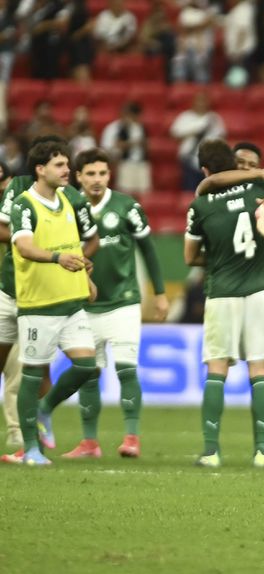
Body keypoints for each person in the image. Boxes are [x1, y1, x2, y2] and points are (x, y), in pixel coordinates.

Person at [61, 148, 168, 459]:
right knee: (88, 374)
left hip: (124, 302)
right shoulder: (67, 207)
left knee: (126, 370)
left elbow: (148, 249)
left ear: (110, 175)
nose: (97, 179)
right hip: (84, 305)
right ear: (78, 176)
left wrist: (160, 293)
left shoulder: (126, 207)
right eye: (90, 174)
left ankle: (131, 437)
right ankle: (89, 443)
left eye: (102, 173)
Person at [184, 139, 264, 468]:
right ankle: (263, 452)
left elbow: (189, 257)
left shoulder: (200, 206)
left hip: (222, 292)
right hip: (260, 290)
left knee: (217, 368)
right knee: (259, 368)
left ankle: (211, 451)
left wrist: (217, 258)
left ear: (204, 169)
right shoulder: (259, 188)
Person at [8, 139, 100, 466]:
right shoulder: (24, 204)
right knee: (32, 374)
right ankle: (31, 449)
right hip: (39, 306)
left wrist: (85, 277)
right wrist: (58, 258)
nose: (67, 170)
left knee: (87, 366)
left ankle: (45, 410)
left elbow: (74, 245)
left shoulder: (68, 200)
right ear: (40, 169)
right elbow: (25, 247)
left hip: (71, 302)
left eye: (67, 164)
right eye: (59, 165)